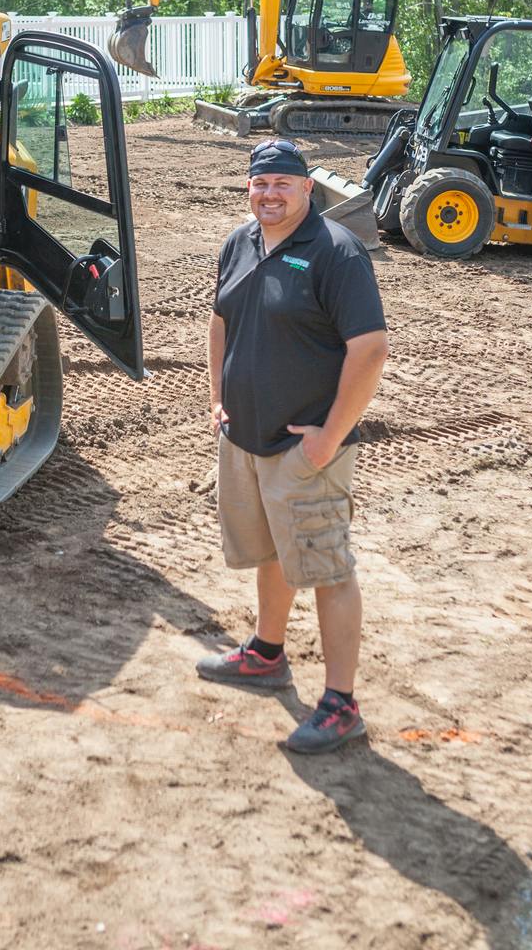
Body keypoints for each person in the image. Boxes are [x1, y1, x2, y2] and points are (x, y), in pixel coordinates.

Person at [199, 137, 389, 754]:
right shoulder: (240, 242)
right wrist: (216, 398)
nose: (270, 194)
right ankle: (267, 653)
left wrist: (329, 437)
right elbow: (221, 321)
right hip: (245, 437)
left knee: (328, 567)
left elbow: (369, 350)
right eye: (260, 183)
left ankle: (341, 705)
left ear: (308, 188)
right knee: (271, 553)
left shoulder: (337, 253)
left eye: (283, 183)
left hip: (305, 447)